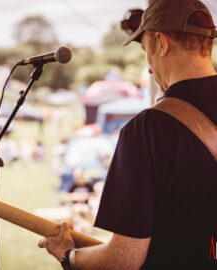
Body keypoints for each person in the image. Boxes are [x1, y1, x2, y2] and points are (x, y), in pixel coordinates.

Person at [38, 0, 217, 269]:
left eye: (146, 50)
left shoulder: (147, 130)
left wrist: (68, 255)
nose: (148, 66)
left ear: (161, 43)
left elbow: (124, 259)